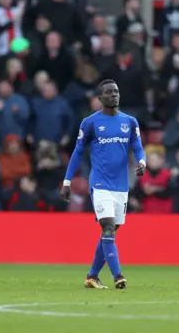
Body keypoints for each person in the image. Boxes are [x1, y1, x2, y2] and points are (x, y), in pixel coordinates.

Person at [60, 79, 146, 290]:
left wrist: (142, 161)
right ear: (99, 99)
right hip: (99, 184)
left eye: (116, 91)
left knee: (110, 233)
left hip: (121, 186)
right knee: (107, 227)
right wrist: (67, 181)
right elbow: (78, 152)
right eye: (109, 92)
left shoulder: (130, 121)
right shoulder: (90, 123)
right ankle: (118, 276)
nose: (114, 95)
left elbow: (138, 146)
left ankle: (92, 276)